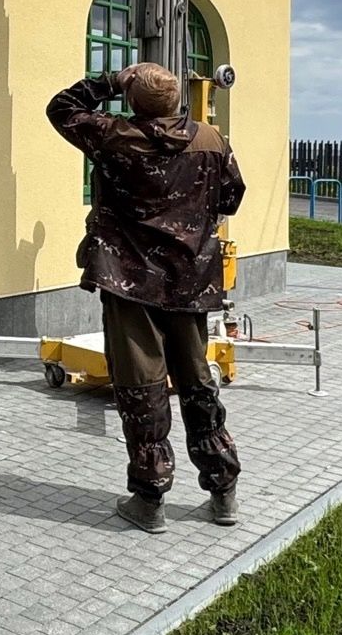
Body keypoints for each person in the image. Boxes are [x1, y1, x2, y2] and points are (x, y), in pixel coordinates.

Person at [46, 60, 246, 532]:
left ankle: (150, 499)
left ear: (131, 100)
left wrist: (113, 79)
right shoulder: (211, 140)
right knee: (197, 383)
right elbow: (231, 197)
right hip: (190, 281)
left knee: (143, 388)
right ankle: (223, 491)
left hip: (130, 281)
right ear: (176, 100)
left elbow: (61, 108)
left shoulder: (114, 136)